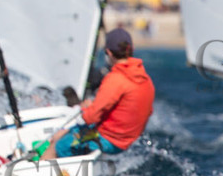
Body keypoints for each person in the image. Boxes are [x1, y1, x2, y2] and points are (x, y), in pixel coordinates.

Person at [42, 27, 155, 160]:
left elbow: (90, 117)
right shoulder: (144, 78)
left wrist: (83, 109)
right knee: (63, 133)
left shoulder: (116, 78)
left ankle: (41, 174)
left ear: (108, 52)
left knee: (58, 146)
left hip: (108, 140)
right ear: (131, 49)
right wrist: (93, 106)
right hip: (125, 140)